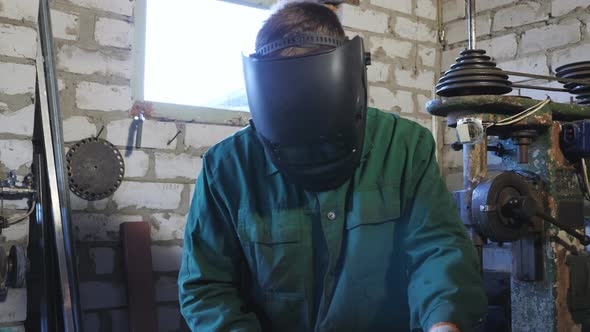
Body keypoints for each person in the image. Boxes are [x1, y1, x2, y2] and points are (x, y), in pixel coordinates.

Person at [178, 1, 487, 331]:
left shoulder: (404, 146)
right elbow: (206, 287)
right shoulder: (227, 168)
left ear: (346, 77)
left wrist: (443, 321)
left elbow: (437, 248)